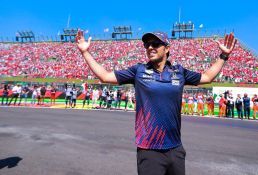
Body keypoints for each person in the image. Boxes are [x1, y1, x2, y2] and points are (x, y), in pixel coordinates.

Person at [76, 30, 237, 175]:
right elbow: (104, 76)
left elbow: (207, 77)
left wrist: (223, 56)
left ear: (167, 48)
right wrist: (85, 52)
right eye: (147, 44)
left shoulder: (179, 72)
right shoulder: (138, 71)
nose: (150, 47)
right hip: (149, 149)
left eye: (155, 44)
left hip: (175, 149)